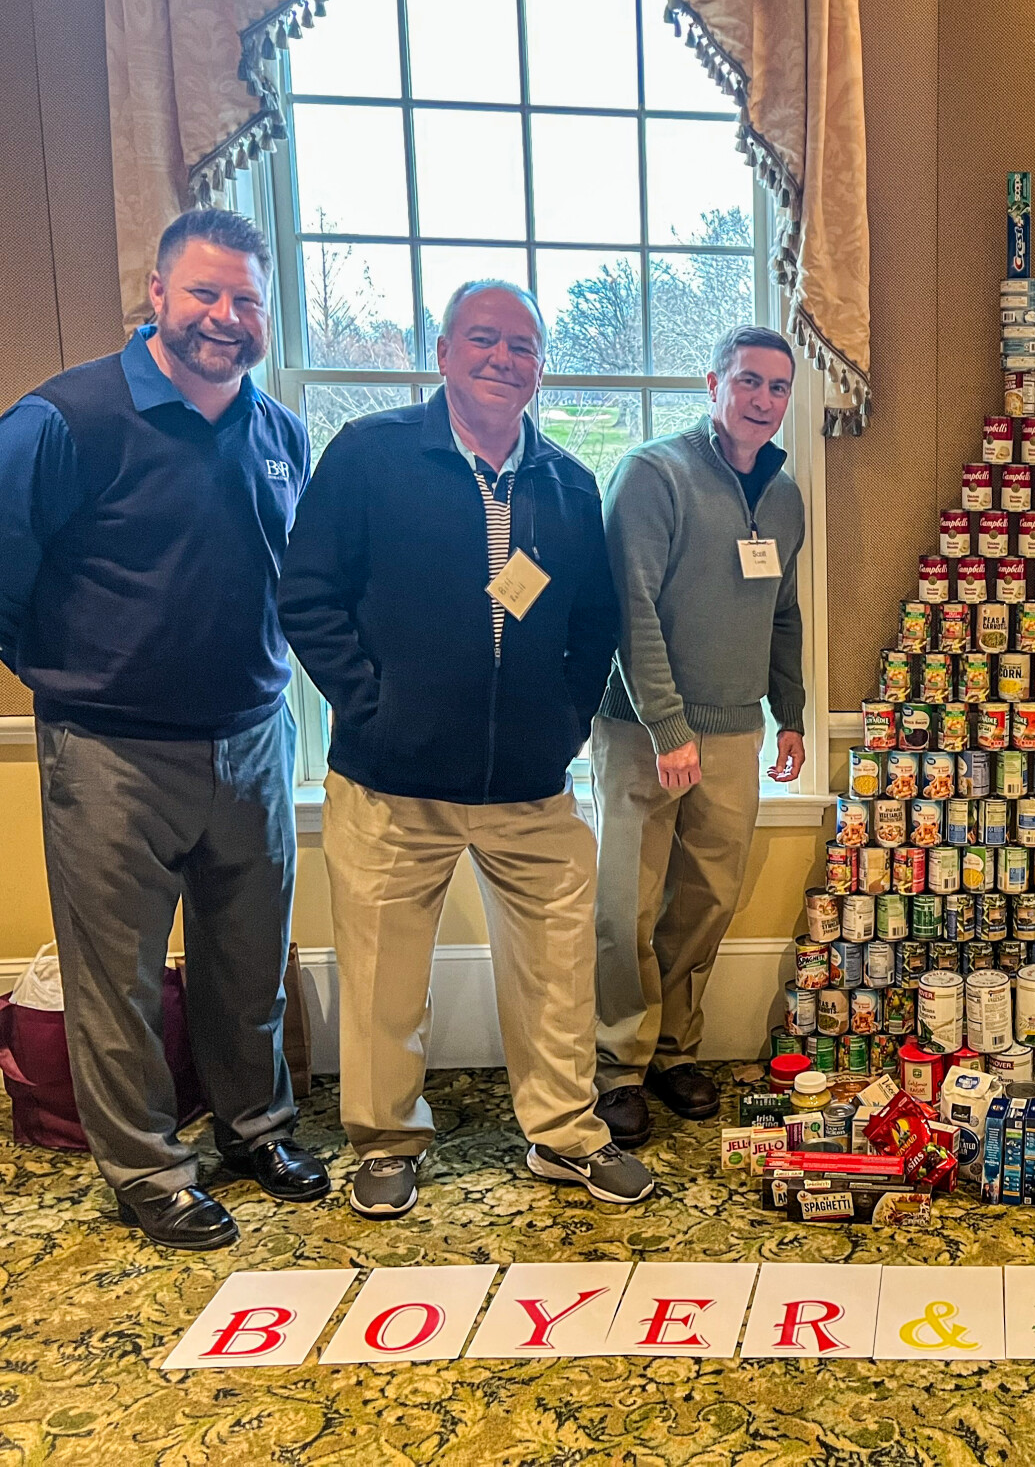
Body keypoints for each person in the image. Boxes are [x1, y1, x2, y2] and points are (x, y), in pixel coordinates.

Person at [279, 279, 654, 1218]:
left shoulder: (568, 483)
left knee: (558, 969)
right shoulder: (369, 455)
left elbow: (596, 621)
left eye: (523, 347)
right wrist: (371, 709)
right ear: (441, 353)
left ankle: (565, 1136)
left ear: (540, 369)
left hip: (531, 786)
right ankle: (385, 1140)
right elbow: (308, 597)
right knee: (382, 975)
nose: (503, 360)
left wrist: (563, 723)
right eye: (483, 340)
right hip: (391, 779)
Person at [0, 209, 328, 1250]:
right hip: (110, 753)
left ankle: (256, 1127)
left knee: (247, 961)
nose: (224, 318)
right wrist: (74, 679)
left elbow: (297, 586)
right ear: (156, 295)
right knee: (121, 981)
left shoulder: (279, 434)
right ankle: (148, 1171)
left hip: (251, 742)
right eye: (204, 293)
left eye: (245, 300)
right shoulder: (64, 420)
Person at [590, 325, 807, 1146]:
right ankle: (617, 1066)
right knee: (626, 908)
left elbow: (782, 612)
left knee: (706, 902)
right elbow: (629, 608)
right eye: (748, 382)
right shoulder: (653, 474)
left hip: (734, 732)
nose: (762, 400)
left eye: (777, 389)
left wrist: (790, 712)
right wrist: (666, 724)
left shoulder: (784, 498)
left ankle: (675, 1051)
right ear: (712, 384)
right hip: (644, 733)